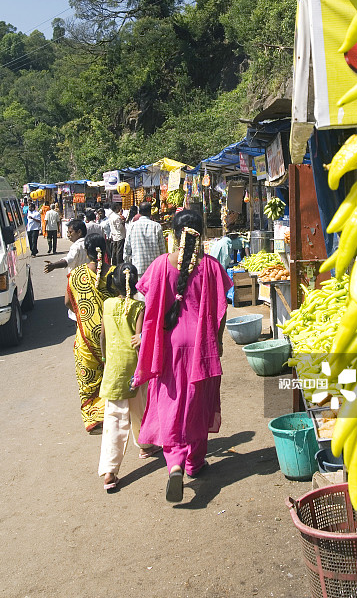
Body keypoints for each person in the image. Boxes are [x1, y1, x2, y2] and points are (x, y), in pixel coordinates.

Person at [132, 209, 232, 503]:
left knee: (171, 401)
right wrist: (218, 341)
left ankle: (175, 461)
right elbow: (221, 309)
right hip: (200, 344)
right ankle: (194, 463)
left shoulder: (162, 264)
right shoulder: (211, 266)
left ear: (174, 235)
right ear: (200, 234)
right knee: (198, 400)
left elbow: (145, 302)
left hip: (170, 343)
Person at [98, 262, 149, 490]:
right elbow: (139, 339)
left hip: (115, 367)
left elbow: (103, 335)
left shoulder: (107, 304)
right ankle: (146, 444)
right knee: (140, 407)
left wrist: (104, 358)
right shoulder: (139, 306)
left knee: (115, 419)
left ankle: (110, 470)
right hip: (134, 365)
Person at [65, 234, 116, 433]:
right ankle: (111, 414)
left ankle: (94, 419)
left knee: (88, 380)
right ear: (105, 250)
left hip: (85, 340)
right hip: (111, 337)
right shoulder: (113, 273)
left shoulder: (76, 275)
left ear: (86, 252)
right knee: (109, 377)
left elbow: (68, 303)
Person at [123, 201, 166, 278]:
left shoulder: (132, 226)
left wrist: (127, 263)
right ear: (150, 212)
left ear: (139, 212)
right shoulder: (157, 226)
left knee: (141, 289)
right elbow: (162, 249)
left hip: (138, 266)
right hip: (154, 267)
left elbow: (127, 248)